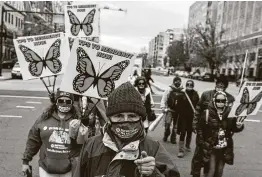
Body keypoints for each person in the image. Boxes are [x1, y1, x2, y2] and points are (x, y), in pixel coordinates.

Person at [73, 82, 180, 177]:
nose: (125, 121)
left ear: (140, 118)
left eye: (132, 116)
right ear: (109, 118)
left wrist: (154, 173)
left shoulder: (153, 148)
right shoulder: (91, 146)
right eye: (119, 116)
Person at [21, 89, 82, 177]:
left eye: (68, 101)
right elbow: (33, 140)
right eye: (61, 100)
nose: (64, 104)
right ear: (56, 102)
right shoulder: (44, 119)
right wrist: (25, 161)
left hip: (68, 170)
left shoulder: (76, 121)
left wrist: (82, 128)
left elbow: (81, 146)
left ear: (72, 103)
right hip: (46, 169)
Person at [191, 76, 235, 177]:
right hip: (205, 130)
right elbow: (198, 109)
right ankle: (196, 174)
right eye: (219, 83)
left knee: (215, 163)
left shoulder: (230, 98)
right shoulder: (206, 94)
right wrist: (195, 124)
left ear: (226, 87)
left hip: (220, 133)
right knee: (199, 155)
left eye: (223, 85)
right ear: (216, 84)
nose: (220, 86)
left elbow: (232, 117)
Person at [195, 91, 245, 177]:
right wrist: (202, 143)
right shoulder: (207, 113)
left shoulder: (230, 113)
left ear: (226, 101)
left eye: (223, 101)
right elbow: (200, 128)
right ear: (214, 100)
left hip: (224, 148)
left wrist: (238, 126)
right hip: (211, 147)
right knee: (211, 170)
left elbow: (233, 128)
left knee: (219, 171)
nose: (220, 103)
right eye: (218, 100)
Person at [177, 80, 199, 158]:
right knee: (183, 132)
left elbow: (198, 105)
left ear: (193, 85)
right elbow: (178, 107)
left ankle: (187, 145)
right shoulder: (182, 94)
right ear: (186, 85)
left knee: (190, 132)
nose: (189, 85)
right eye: (188, 84)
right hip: (183, 117)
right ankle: (181, 150)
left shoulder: (196, 94)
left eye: (191, 84)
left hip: (192, 117)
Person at [160, 76, 184, 144]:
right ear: (173, 82)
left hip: (178, 111)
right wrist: (163, 107)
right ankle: (166, 134)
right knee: (167, 123)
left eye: (179, 81)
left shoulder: (182, 91)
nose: (178, 82)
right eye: (176, 81)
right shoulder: (169, 89)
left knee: (175, 126)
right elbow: (164, 98)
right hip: (170, 110)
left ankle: (173, 138)